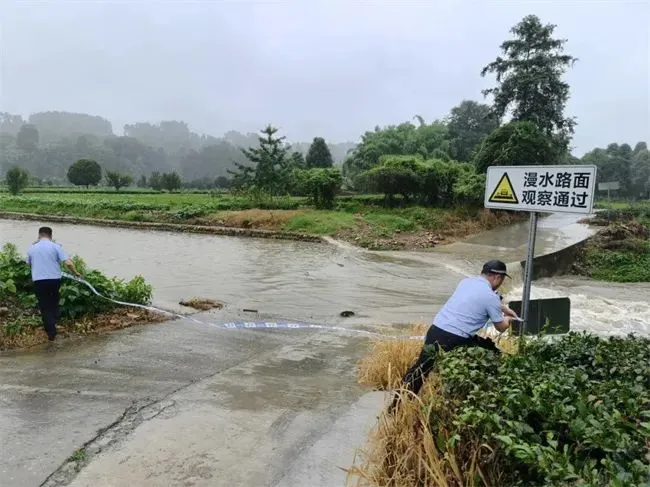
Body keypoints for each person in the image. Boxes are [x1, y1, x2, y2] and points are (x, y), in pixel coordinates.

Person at [392, 260, 517, 408]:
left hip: (435, 330)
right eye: (502, 279)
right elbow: (501, 327)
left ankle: (396, 406)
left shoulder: (466, 282)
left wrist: (501, 308)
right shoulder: (491, 297)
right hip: (455, 338)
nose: (501, 282)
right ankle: (477, 401)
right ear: (497, 277)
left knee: (420, 370)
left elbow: (475, 298)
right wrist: (509, 318)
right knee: (493, 355)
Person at [26, 227, 81, 341]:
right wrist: (75, 273)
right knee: (54, 302)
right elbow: (68, 263)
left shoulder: (32, 249)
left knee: (44, 306)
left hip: (39, 281)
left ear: (39, 235)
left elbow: (29, 264)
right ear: (50, 236)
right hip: (54, 280)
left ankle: (51, 332)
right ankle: (54, 323)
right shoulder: (56, 247)